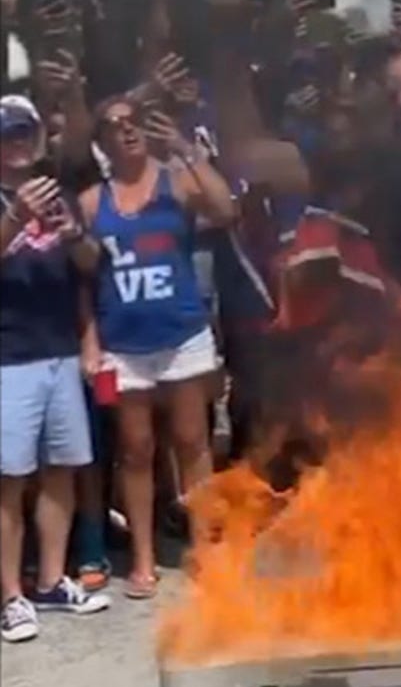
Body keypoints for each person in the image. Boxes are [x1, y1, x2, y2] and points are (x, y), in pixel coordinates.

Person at [77, 93, 237, 600]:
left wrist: (187, 151)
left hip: (183, 331)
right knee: (136, 450)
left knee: (192, 442)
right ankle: (143, 557)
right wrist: (89, 343)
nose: (127, 130)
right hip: (123, 343)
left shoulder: (178, 180)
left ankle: (207, 548)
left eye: (135, 121)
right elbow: (84, 279)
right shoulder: (90, 202)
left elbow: (227, 210)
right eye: (114, 124)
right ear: (101, 140)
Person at [0, 95, 109, 642]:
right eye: (6, 137)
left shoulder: (61, 196)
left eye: (23, 134)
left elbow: (89, 268)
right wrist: (15, 215)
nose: (16, 144)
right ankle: (10, 597)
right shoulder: (9, 202)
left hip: (61, 351)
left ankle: (50, 580)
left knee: (62, 470)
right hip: (8, 358)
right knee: (10, 481)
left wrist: (71, 233)